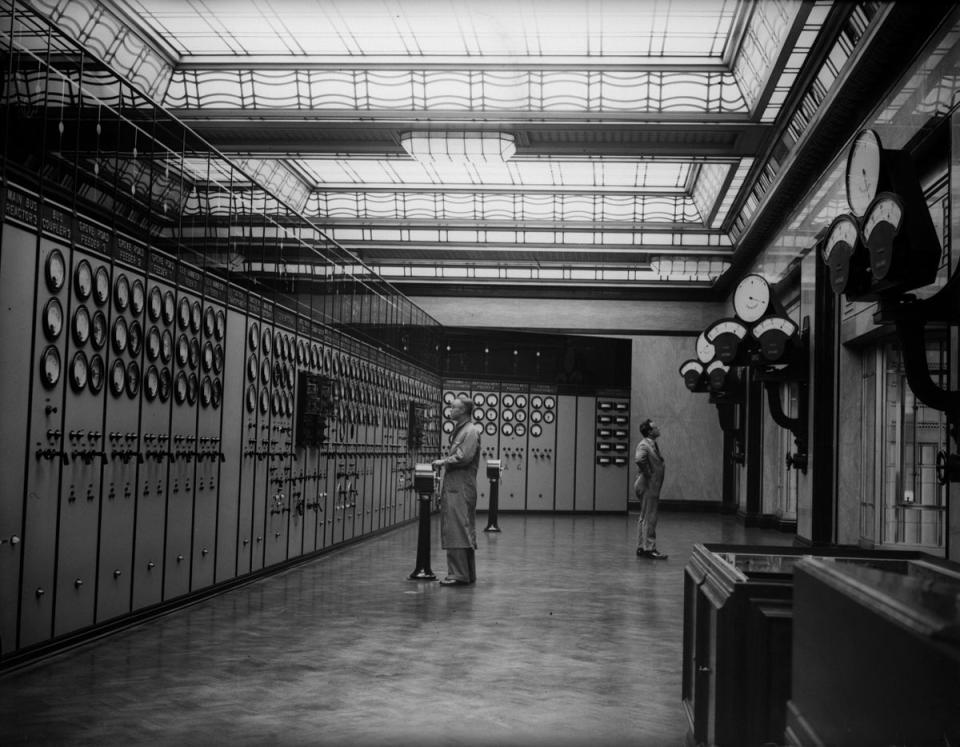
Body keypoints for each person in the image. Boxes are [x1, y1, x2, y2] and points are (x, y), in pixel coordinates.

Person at [432, 396, 481, 585]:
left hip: (460, 487)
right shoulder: (462, 430)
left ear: (463, 411)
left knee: (457, 529)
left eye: (454, 407)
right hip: (457, 486)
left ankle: (458, 574)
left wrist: (442, 461)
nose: (450, 410)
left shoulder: (470, 431)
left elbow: (463, 457)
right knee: (462, 528)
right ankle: (467, 573)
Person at [634, 418, 668, 560]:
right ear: (650, 431)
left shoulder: (651, 444)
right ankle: (650, 549)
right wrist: (649, 474)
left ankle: (641, 547)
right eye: (655, 427)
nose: (658, 428)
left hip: (648, 485)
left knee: (644, 517)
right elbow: (639, 459)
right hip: (647, 485)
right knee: (650, 517)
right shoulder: (644, 445)